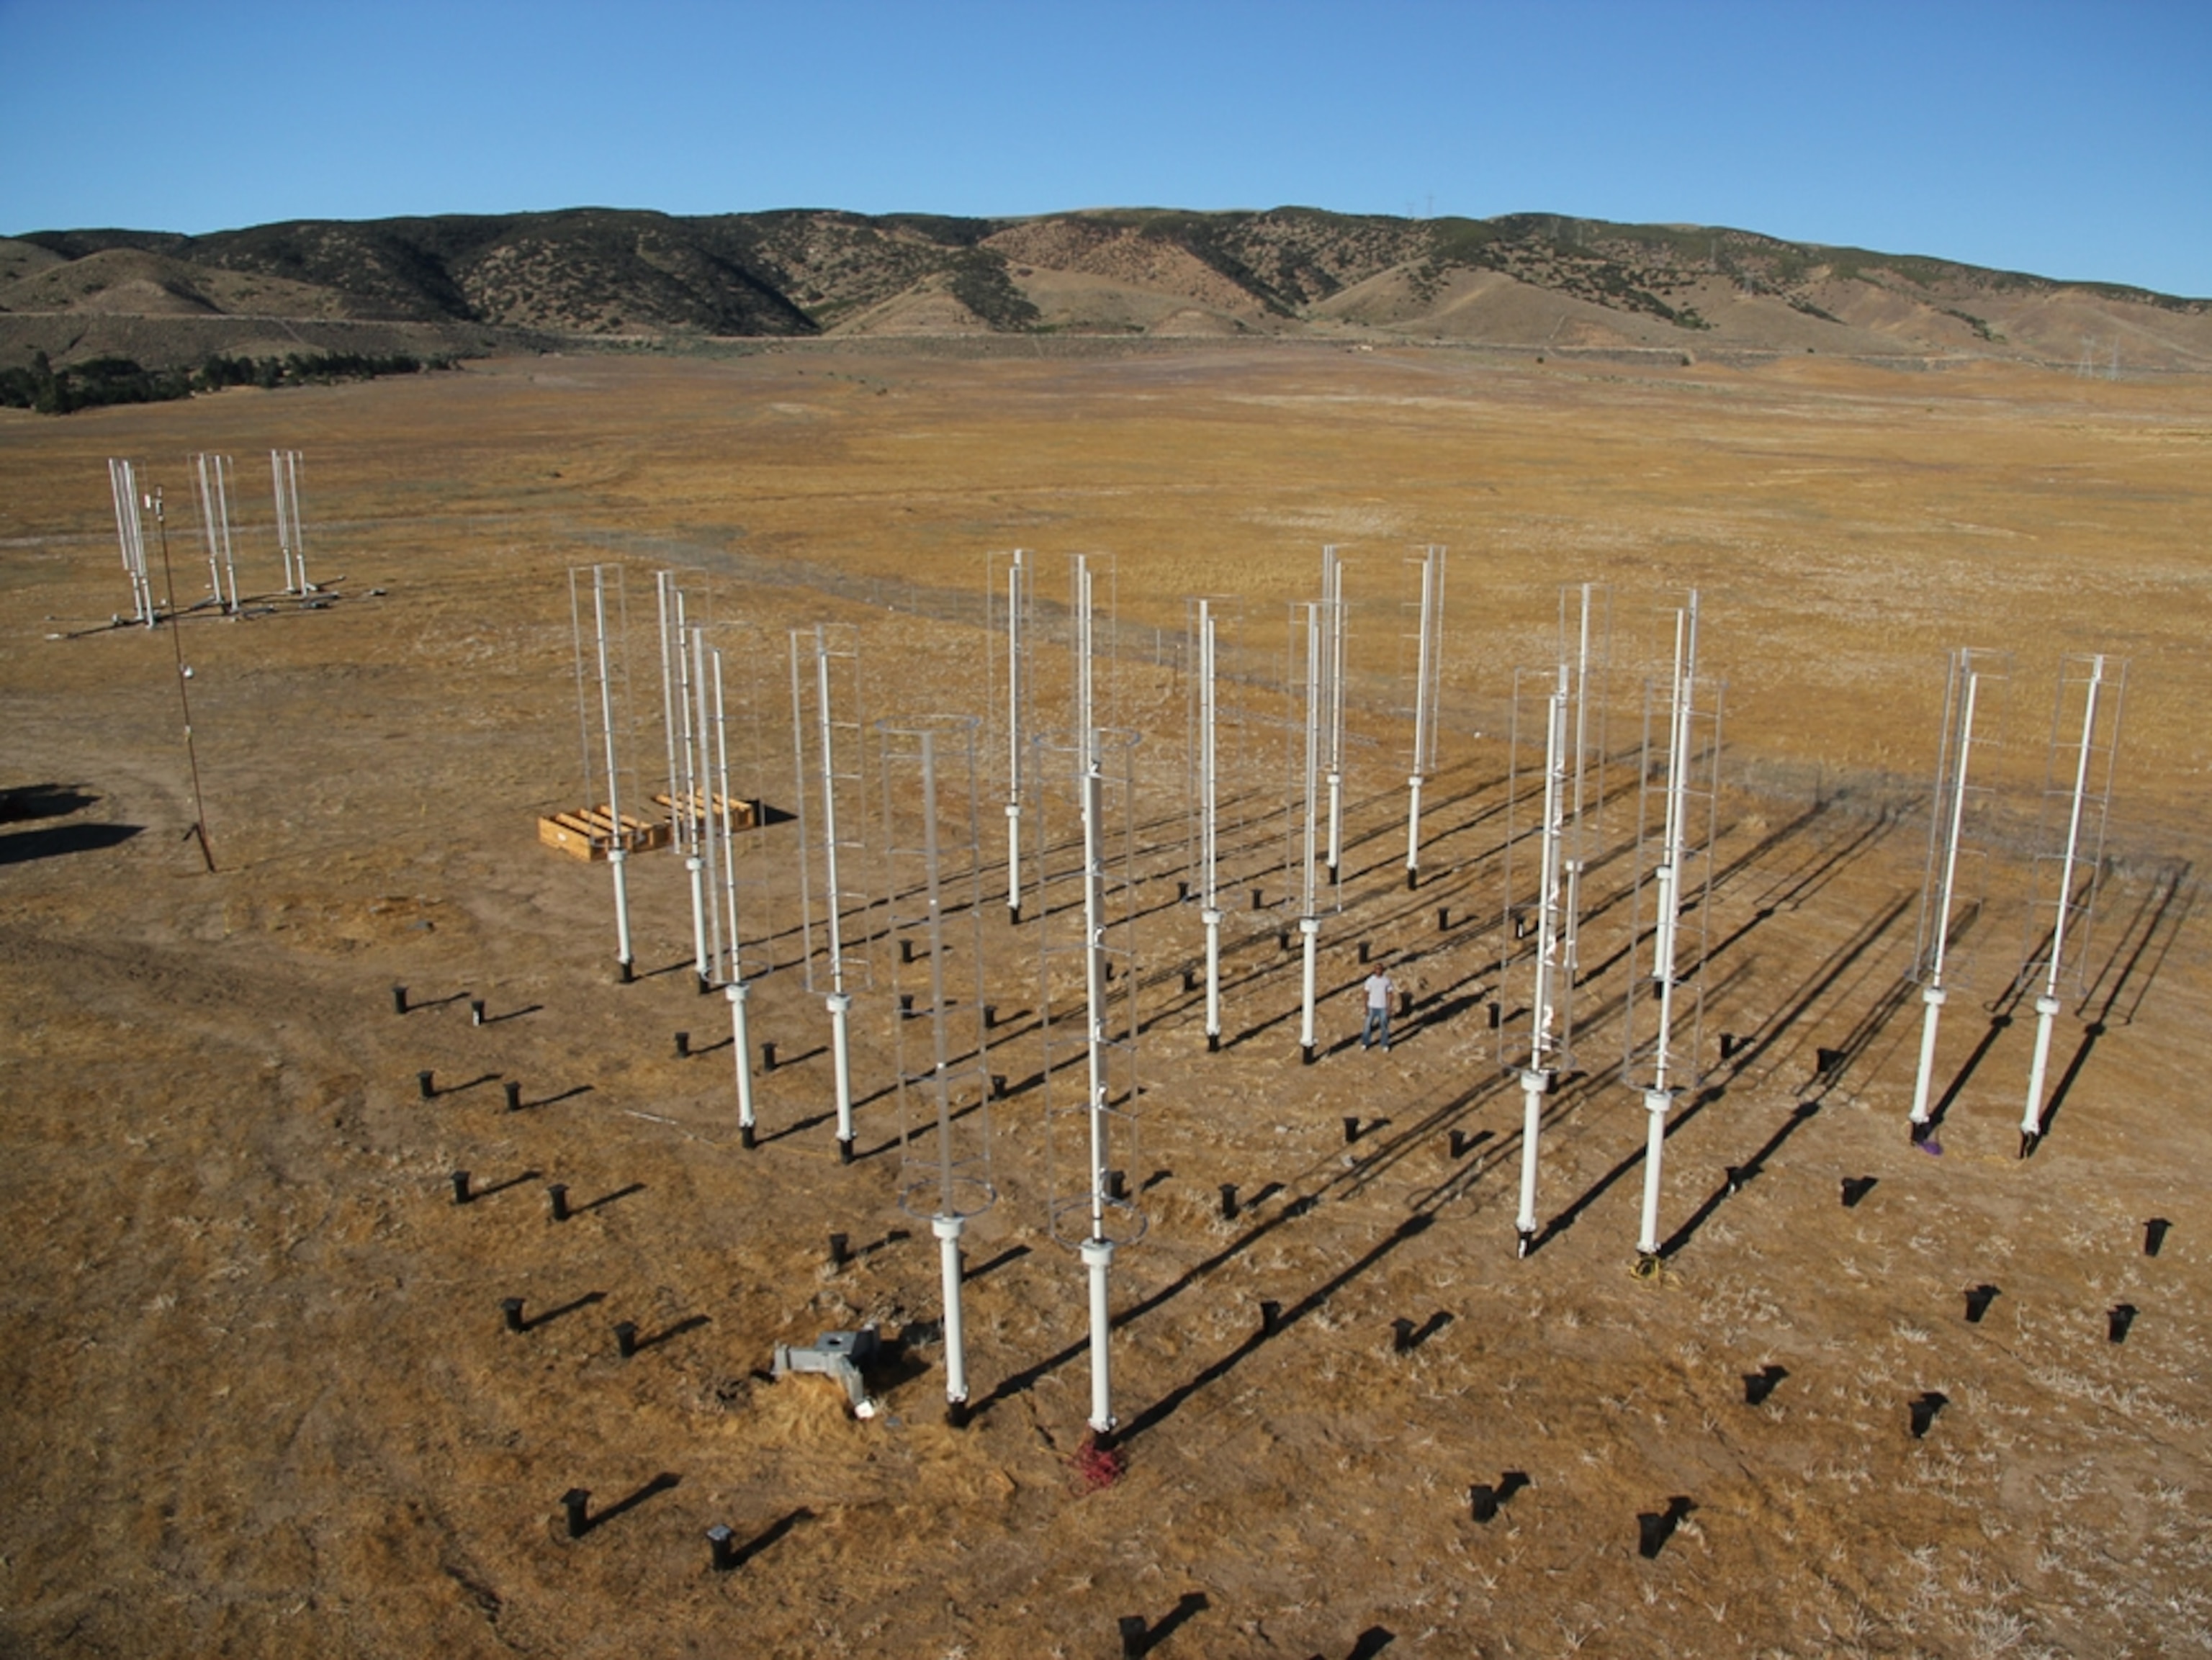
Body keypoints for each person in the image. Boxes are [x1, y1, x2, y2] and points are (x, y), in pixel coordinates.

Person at [1360, 966, 1395, 1050]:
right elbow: (1366, 994)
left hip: (1383, 1007)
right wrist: (1366, 1007)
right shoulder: (1370, 981)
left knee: (1384, 1027)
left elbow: (1390, 994)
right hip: (1372, 1006)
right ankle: (1365, 1042)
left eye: (1380, 969)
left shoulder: (1387, 980)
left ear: (1382, 970)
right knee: (1367, 1026)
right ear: (1374, 970)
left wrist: (1389, 1007)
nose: (1378, 971)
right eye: (1377, 969)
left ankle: (1385, 1044)